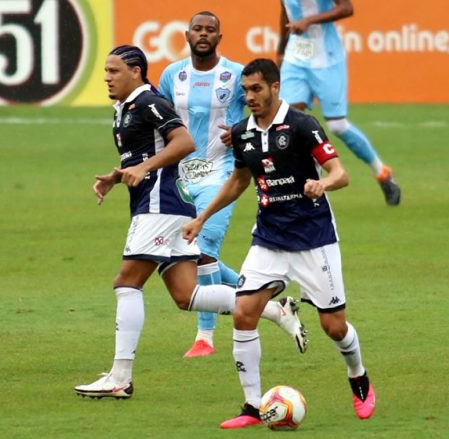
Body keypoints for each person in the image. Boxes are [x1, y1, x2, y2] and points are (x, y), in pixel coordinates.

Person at [74, 46, 307, 400]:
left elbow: (184, 142)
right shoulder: (125, 109)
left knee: (127, 283)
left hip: (159, 205)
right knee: (187, 295)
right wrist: (117, 175)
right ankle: (274, 309)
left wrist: (143, 169)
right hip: (165, 203)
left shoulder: (149, 102)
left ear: (136, 72)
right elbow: (142, 156)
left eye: (114, 70)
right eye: (106, 71)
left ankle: (120, 376)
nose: (107, 77)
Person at [183, 58, 376, 428]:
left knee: (334, 327)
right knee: (243, 313)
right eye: (245, 91)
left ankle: (359, 377)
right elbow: (239, 180)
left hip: (313, 239)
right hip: (268, 239)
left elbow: (341, 172)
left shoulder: (303, 126)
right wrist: (202, 217)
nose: (250, 97)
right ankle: (252, 407)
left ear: (275, 87)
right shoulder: (242, 132)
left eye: (257, 89)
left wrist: (324, 184)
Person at [158, 11, 245, 357]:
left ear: (219, 38)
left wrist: (238, 132)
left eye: (210, 30)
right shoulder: (172, 75)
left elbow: (261, 109)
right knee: (189, 253)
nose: (204, 34)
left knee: (205, 252)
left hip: (220, 174)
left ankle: (205, 338)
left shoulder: (236, 75)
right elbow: (160, 119)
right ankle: (260, 293)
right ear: (187, 34)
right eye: (198, 29)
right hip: (181, 178)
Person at [276, 0, 401, 206]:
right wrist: (281, 48)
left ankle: (382, 172)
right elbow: (285, 11)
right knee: (286, 120)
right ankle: (298, 185)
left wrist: (308, 20)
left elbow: (346, 8)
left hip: (328, 58)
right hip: (296, 56)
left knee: (337, 125)